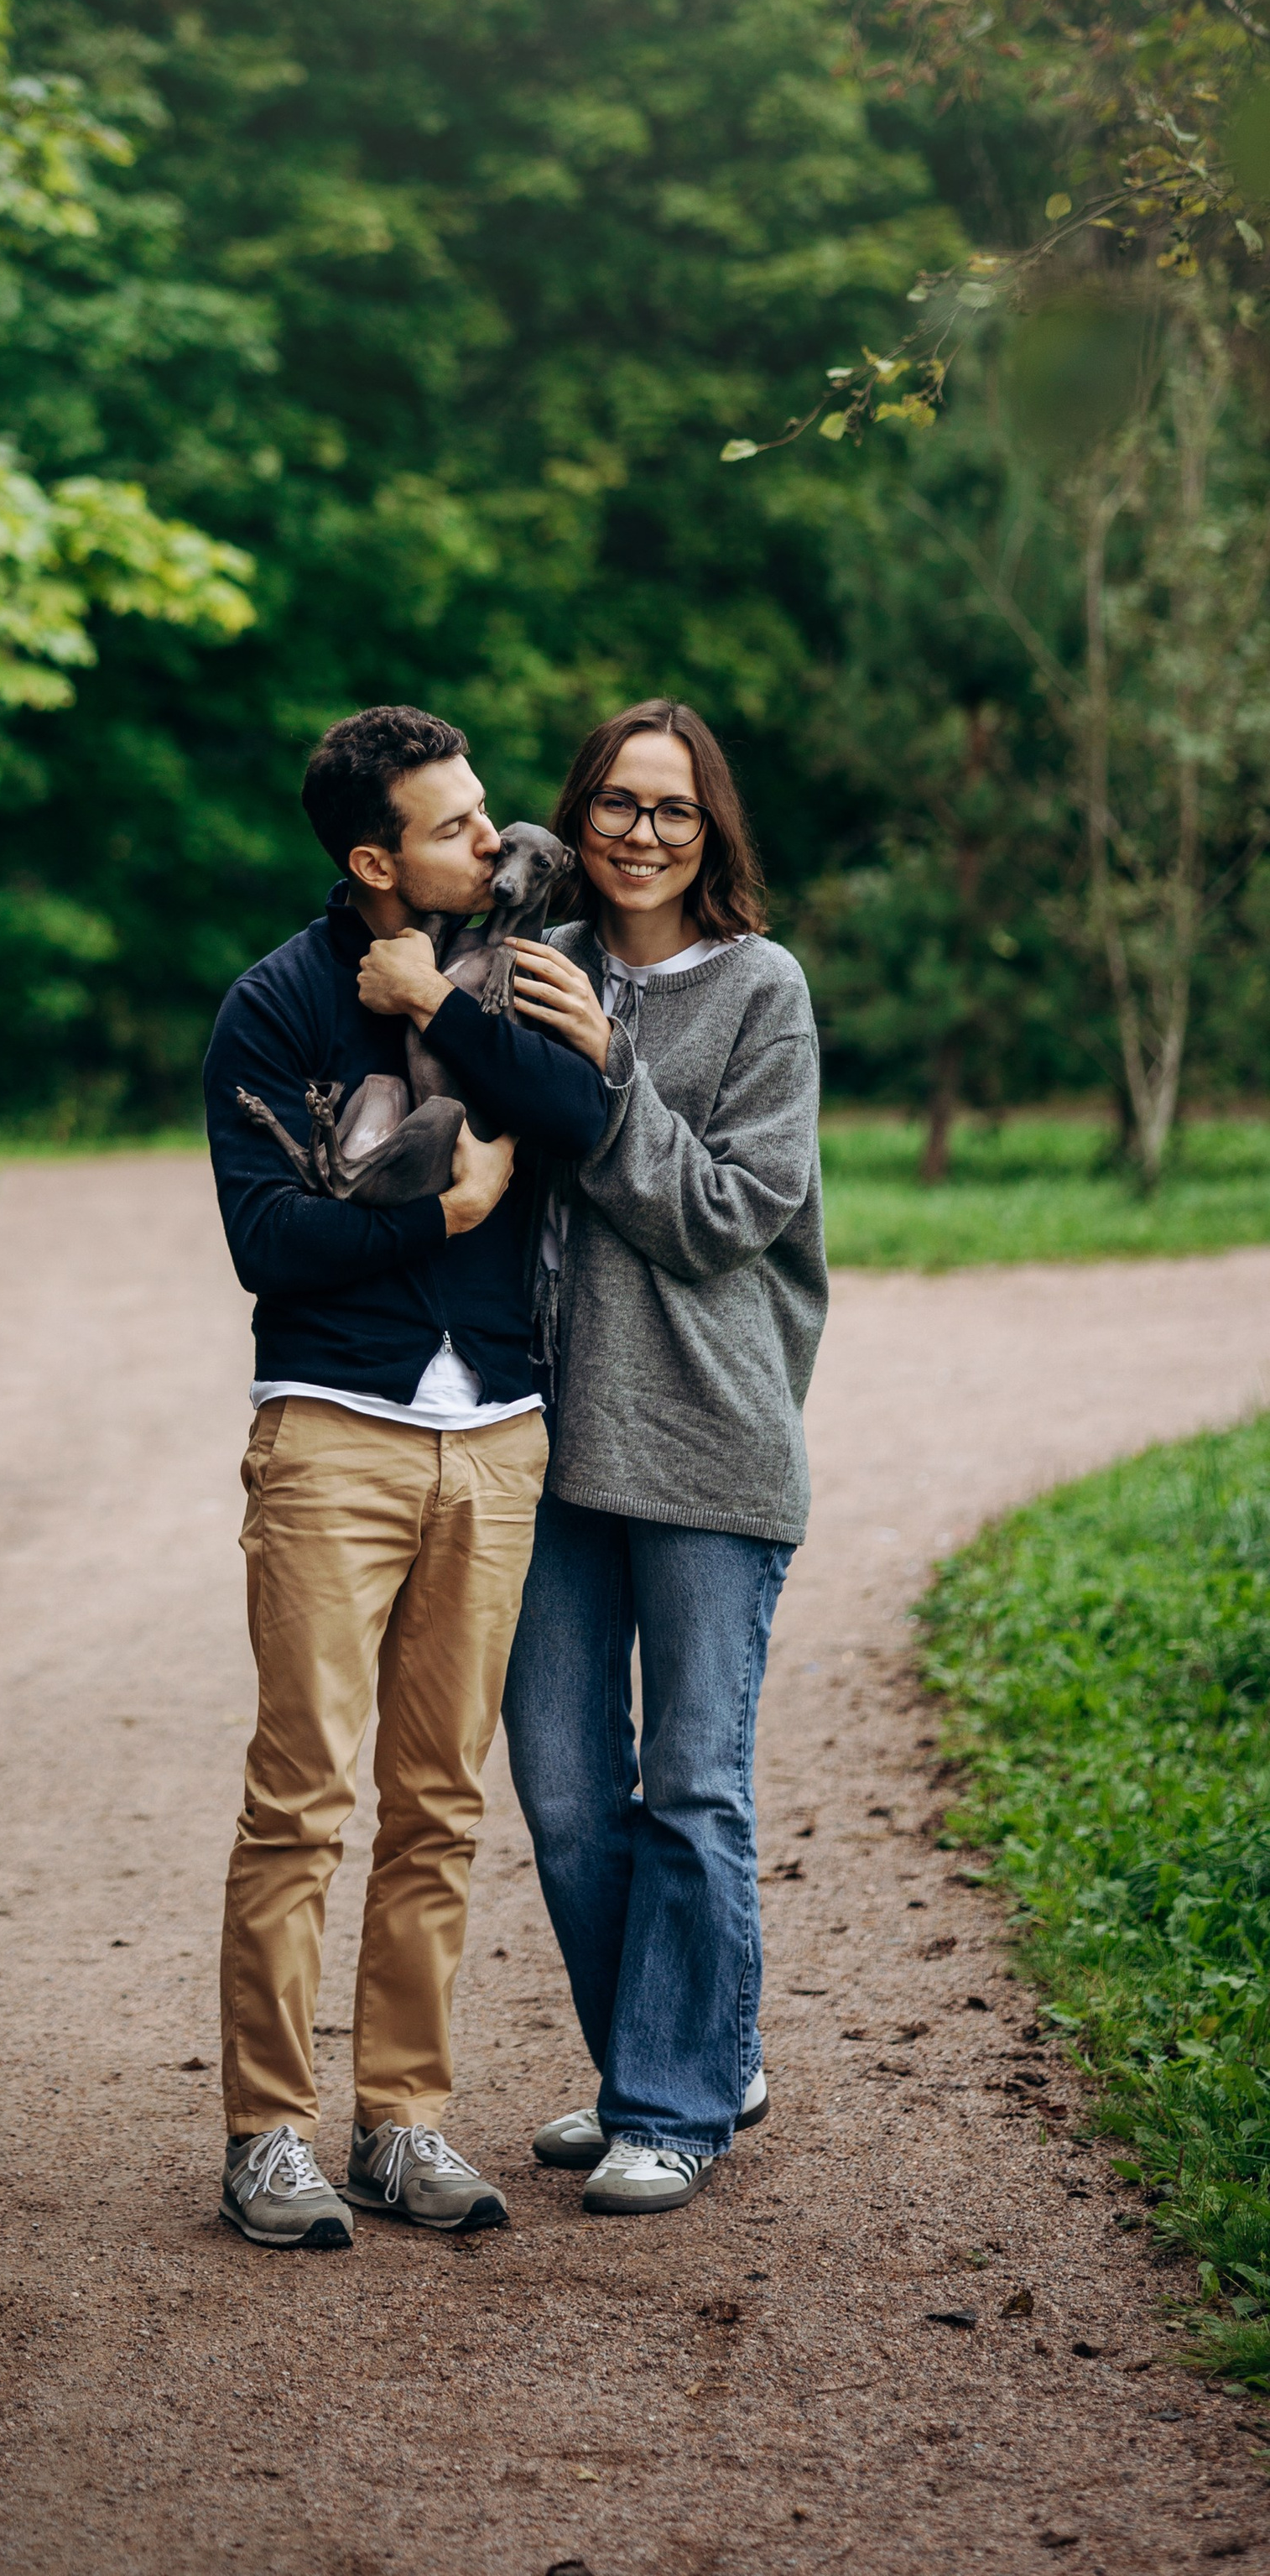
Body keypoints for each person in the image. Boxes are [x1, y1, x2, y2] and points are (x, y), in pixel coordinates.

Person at [202, 705, 608, 2250]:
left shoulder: (512, 966)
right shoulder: (273, 1006)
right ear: (374, 858)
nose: (492, 842)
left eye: (486, 814)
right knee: (302, 1797)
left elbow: (582, 1116)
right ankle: (266, 2138)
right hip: (332, 1432)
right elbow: (269, 1243)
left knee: (440, 1800)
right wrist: (435, 1222)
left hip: (497, 1432)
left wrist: (441, 995)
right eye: (452, 828)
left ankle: (404, 2124)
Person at [495, 697, 826, 2215]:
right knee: (567, 1795)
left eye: (674, 810)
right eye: (617, 805)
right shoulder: (524, 970)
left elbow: (726, 1218)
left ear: (713, 834)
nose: (642, 834)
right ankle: (683, 2053)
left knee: (694, 1785)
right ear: (581, 815)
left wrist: (607, 1070)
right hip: (540, 1446)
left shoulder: (762, 990)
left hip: (705, 1441)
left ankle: (678, 2101)